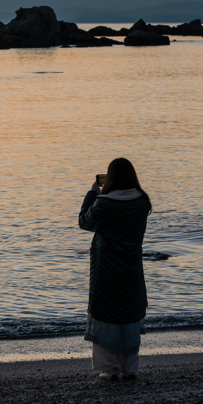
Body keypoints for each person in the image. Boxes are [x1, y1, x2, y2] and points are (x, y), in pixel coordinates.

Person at [78, 157, 153, 381]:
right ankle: (130, 367)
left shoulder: (104, 203)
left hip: (106, 270)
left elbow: (84, 222)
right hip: (131, 269)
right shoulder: (142, 202)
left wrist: (92, 195)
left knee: (106, 315)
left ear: (109, 178)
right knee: (129, 314)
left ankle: (109, 368)